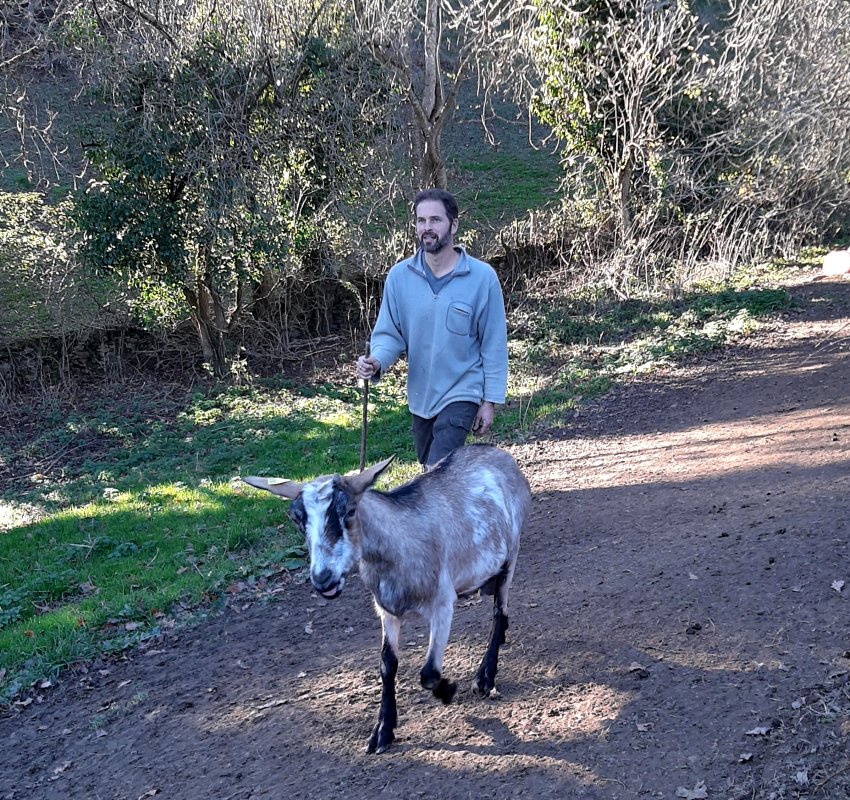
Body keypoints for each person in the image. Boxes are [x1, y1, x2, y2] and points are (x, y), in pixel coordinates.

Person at [355, 188, 508, 468]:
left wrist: (490, 401)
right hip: (420, 397)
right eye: (421, 220)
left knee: (437, 470)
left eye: (435, 220)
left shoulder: (482, 278)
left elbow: (493, 344)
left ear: (454, 225)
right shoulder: (399, 277)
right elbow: (390, 334)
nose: (427, 227)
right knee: (431, 473)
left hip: (463, 391)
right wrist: (376, 361)